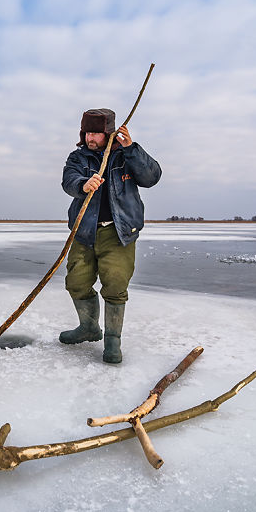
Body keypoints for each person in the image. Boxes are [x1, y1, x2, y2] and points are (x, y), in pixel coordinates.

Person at [60, 108, 162, 364]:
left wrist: (132, 149)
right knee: (77, 282)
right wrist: (83, 185)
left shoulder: (125, 155)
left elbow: (152, 177)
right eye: (87, 133)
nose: (91, 138)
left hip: (118, 232)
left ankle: (113, 342)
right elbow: (68, 180)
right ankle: (89, 327)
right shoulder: (78, 157)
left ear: (109, 134)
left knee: (115, 286)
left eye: (96, 133)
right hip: (85, 231)